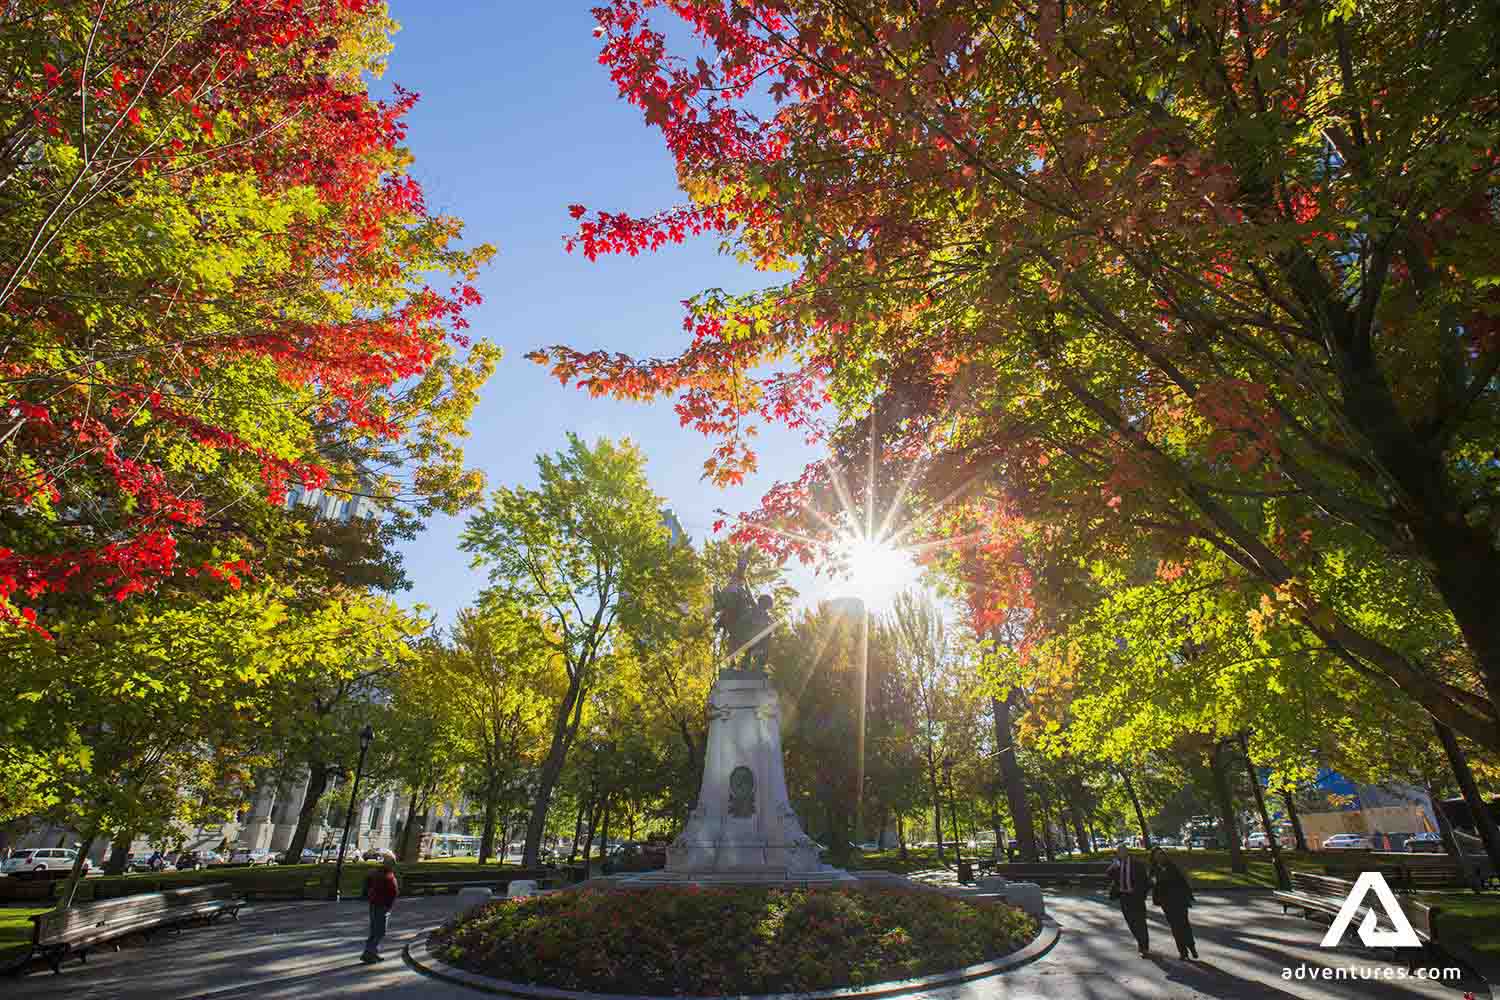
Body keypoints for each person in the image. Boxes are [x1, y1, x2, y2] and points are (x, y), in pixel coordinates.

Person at [1151, 847, 1198, 960]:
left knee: (1184, 925)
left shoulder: (1171, 867)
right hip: (1166, 903)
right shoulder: (1154, 870)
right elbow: (1153, 885)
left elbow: (1182, 882)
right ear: (1153, 858)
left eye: (1161, 855)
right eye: (1157, 856)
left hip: (1179, 901)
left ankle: (1191, 947)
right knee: (1175, 927)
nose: (1159, 857)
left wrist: (1188, 896)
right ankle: (1183, 952)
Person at [1107, 843, 1152, 956]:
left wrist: (1140, 894)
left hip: (1136, 897)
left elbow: (1145, 882)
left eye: (1121, 851)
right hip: (1124, 897)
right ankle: (1140, 942)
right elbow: (1109, 874)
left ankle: (1144, 946)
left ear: (1127, 852)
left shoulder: (1137, 864)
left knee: (1140, 922)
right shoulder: (1117, 864)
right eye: (1118, 852)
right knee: (1131, 922)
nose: (1119, 854)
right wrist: (1113, 865)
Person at [361, 859, 400, 963]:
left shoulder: (382, 873)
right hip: (380, 905)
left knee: (376, 930)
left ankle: (371, 952)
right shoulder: (382, 875)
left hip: (381, 905)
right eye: (392, 864)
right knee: (379, 930)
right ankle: (369, 953)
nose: (393, 866)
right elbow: (382, 889)